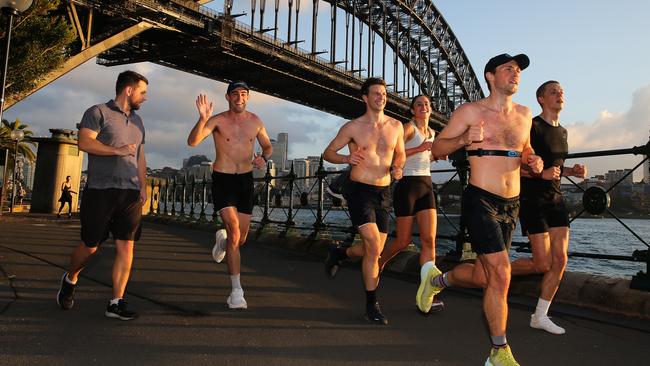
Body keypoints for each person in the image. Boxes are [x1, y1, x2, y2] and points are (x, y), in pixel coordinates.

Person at [416, 54, 543, 365]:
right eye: (508, 68)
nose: (515, 73)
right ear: (490, 76)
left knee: (486, 278)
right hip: (481, 199)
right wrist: (463, 138)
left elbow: (525, 148)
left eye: (518, 70)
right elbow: (437, 149)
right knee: (502, 273)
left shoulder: (525, 114)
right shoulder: (470, 111)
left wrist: (531, 159)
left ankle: (437, 282)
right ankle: (499, 352)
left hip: (512, 203)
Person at [56, 70, 149, 321]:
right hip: (100, 189)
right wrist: (116, 150)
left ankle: (116, 303)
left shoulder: (139, 122)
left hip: (129, 192)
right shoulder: (97, 112)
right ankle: (70, 277)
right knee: (90, 247)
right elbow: (84, 143)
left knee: (127, 246)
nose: (145, 98)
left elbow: (140, 155)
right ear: (128, 90)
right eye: (142, 92)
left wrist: (143, 184)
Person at [323, 77, 406, 325]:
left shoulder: (396, 126)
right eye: (376, 94)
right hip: (359, 191)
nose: (382, 97)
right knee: (371, 243)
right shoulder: (353, 127)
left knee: (375, 250)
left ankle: (340, 253)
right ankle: (372, 306)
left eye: (384, 93)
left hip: (384, 192)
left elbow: (400, 154)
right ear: (365, 98)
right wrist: (347, 160)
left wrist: (398, 168)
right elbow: (328, 153)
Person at [187, 81, 273, 310]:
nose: (239, 98)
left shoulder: (256, 121)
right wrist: (203, 118)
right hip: (223, 180)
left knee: (239, 239)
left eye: (243, 94)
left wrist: (264, 158)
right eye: (235, 94)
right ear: (228, 97)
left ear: (248, 97)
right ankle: (236, 292)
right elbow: (193, 142)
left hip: (245, 181)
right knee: (235, 231)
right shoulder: (218, 121)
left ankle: (222, 242)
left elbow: (267, 147)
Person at [511, 80, 587, 335]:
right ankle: (497, 270)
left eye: (562, 91)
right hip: (533, 200)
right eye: (553, 91)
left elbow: (554, 168)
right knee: (542, 263)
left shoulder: (563, 131)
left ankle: (540, 315)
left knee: (561, 259)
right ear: (541, 99)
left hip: (556, 200)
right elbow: (513, 165)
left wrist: (571, 171)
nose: (559, 95)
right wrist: (540, 174)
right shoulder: (531, 127)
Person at [377, 95, 444, 313]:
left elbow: (426, 156)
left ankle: (429, 291)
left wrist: (434, 155)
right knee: (403, 241)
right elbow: (394, 152)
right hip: (407, 186)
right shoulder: (408, 128)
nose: (423, 106)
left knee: (429, 240)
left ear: (431, 109)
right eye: (419, 104)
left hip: (426, 185)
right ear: (413, 111)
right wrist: (421, 148)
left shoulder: (433, 133)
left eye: (427, 104)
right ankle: (377, 265)